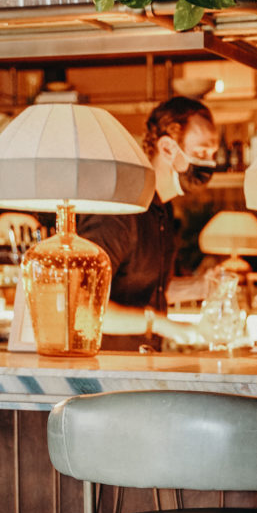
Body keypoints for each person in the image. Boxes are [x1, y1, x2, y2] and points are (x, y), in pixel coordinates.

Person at [77, 96, 219, 348]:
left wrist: (201, 286)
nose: (210, 163)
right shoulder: (120, 210)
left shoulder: (162, 211)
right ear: (167, 148)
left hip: (143, 362)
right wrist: (164, 325)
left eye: (213, 154)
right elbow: (82, 309)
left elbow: (144, 289)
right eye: (201, 152)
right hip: (104, 370)